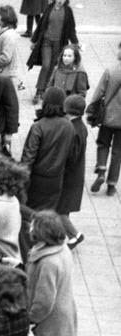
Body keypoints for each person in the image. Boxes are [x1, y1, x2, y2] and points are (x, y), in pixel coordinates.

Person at [21, 211, 79, 336]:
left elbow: (44, 300)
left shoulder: (47, 262)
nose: (29, 228)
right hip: (60, 315)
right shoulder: (61, 251)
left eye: (33, 226)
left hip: (47, 320)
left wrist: (30, 320)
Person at [21, 87, 74, 211]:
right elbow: (70, 154)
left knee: (31, 213)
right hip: (57, 179)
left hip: (37, 179)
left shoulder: (38, 126)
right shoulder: (69, 126)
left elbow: (28, 157)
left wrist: (21, 180)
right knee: (48, 214)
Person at [26, 0, 78, 100]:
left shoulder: (68, 11)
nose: (60, 1)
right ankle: (39, 90)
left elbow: (71, 29)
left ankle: (45, 89)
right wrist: (34, 40)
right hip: (46, 41)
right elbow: (40, 25)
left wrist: (75, 43)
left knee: (52, 67)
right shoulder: (49, 8)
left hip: (59, 43)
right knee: (46, 65)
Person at [89, 40, 121, 196]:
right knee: (118, 151)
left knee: (103, 144)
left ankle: (101, 170)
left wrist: (91, 110)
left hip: (108, 116)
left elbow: (99, 92)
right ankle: (111, 185)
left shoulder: (111, 70)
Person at [59, 94, 89, 249]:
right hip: (75, 176)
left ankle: (75, 235)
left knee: (59, 210)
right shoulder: (79, 126)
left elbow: (71, 156)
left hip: (69, 177)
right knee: (64, 209)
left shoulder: (73, 129)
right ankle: (68, 235)